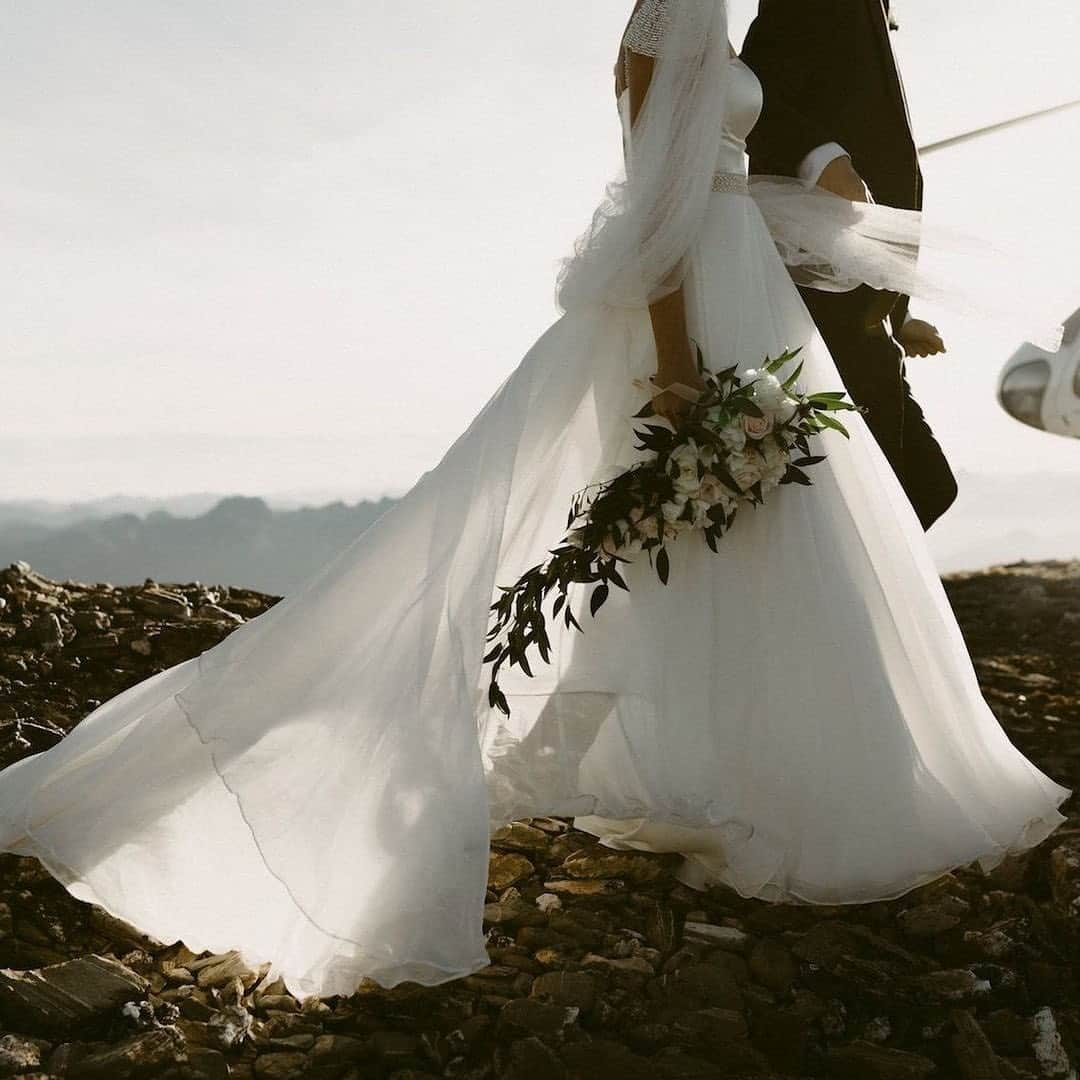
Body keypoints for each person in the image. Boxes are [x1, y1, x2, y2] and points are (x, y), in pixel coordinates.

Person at [0, 0, 1069, 1000]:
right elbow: (661, 191)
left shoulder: (699, 11)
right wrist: (673, 358)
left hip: (746, 276)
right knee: (726, 521)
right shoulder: (677, 12)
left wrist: (846, 244)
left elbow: (732, 166)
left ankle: (754, 774)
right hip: (700, 291)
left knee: (771, 535)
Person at [741, 0, 959, 530]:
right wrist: (822, 157)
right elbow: (752, 91)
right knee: (898, 493)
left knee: (921, 490)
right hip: (820, 281)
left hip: (869, 296)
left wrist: (900, 311)